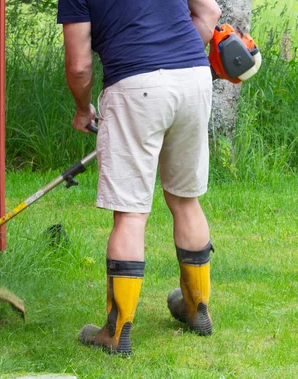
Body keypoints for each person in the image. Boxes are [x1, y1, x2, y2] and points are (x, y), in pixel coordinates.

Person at [57, 0, 222, 355]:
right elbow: (210, 13)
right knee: (185, 199)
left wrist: (83, 108)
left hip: (136, 85)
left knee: (131, 212)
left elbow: (80, 65)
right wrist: (171, 60)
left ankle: (115, 333)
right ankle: (196, 308)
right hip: (194, 78)